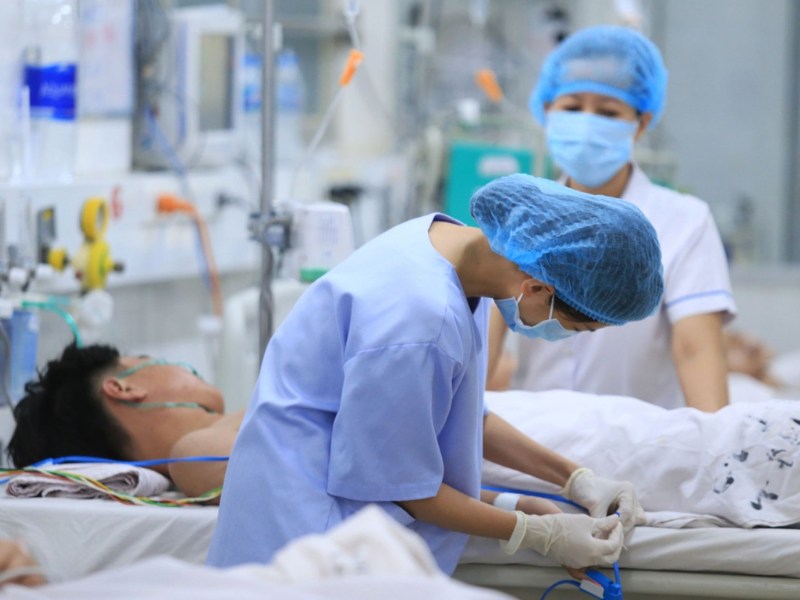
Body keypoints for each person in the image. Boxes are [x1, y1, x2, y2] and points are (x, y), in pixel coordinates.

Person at [207, 173, 664, 574]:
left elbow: (462, 416)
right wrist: (536, 532)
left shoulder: (452, 250)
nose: (566, 336)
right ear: (537, 287)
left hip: (324, 511)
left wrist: (574, 478)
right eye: (577, 328)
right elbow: (403, 487)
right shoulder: (421, 320)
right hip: (307, 536)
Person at [488, 25, 736, 412]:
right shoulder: (517, 218)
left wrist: (717, 444)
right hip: (532, 436)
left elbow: (696, 349)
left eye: (608, 112)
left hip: (638, 441)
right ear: (548, 111)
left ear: (641, 123)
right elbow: (483, 341)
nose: (587, 122)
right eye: (572, 108)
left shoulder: (684, 222)